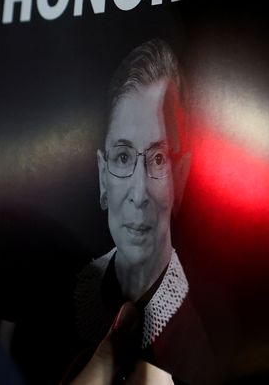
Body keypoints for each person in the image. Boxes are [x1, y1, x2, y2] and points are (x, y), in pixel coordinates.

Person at [70, 38, 213, 384]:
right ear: (103, 176)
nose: (138, 193)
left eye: (158, 158)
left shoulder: (195, 351)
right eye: (122, 156)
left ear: (181, 176)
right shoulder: (56, 303)